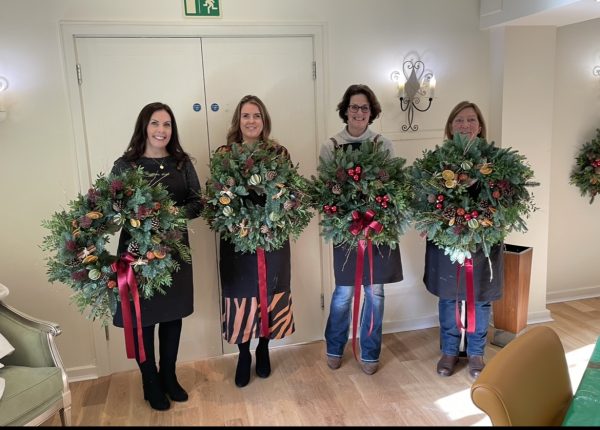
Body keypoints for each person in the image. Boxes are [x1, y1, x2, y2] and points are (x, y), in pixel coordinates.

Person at [111, 102, 203, 410]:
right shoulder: (125, 165)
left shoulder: (181, 162)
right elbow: (114, 207)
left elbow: (197, 202)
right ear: (144, 127)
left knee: (172, 315)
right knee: (143, 318)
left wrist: (173, 214)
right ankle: (149, 380)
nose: (161, 130)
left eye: (166, 124)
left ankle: (169, 376)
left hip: (174, 250)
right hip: (136, 253)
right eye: (155, 123)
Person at [320, 84, 403, 375]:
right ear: (345, 110)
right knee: (344, 292)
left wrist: (378, 214)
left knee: (375, 292)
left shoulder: (383, 144)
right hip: (345, 230)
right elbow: (326, 191)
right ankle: (334, 346)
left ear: (372, 112)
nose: (358, 112)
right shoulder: (331, 145)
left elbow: (394, 187)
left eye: (364, 108)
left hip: (377, 229)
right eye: (354, 107)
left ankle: (370, 351)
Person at [216, 95, 295, 388]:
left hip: (272, 238)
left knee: (269, 290)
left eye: (257, 116)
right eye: (246, 115)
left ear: (265, 121)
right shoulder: (224, 153)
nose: (251, 121)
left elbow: (289, 192)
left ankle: (263, 349)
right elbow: (218, 195)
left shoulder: (279, 153)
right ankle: (243, 354)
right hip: (238, 240)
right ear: (238, 120)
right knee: (242, 293)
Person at [423, 100, 504, 380]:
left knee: (479, 299)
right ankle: (448, 350)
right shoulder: (436, 161)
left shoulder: (494, 161)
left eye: (471, 120)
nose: (465, 125)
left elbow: (504, 199)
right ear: (450, 126)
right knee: (448, 297)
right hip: (447, 240)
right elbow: (425, 198)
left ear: (479, 127)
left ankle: (476, 353)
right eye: (459, 120)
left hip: (482, 240)